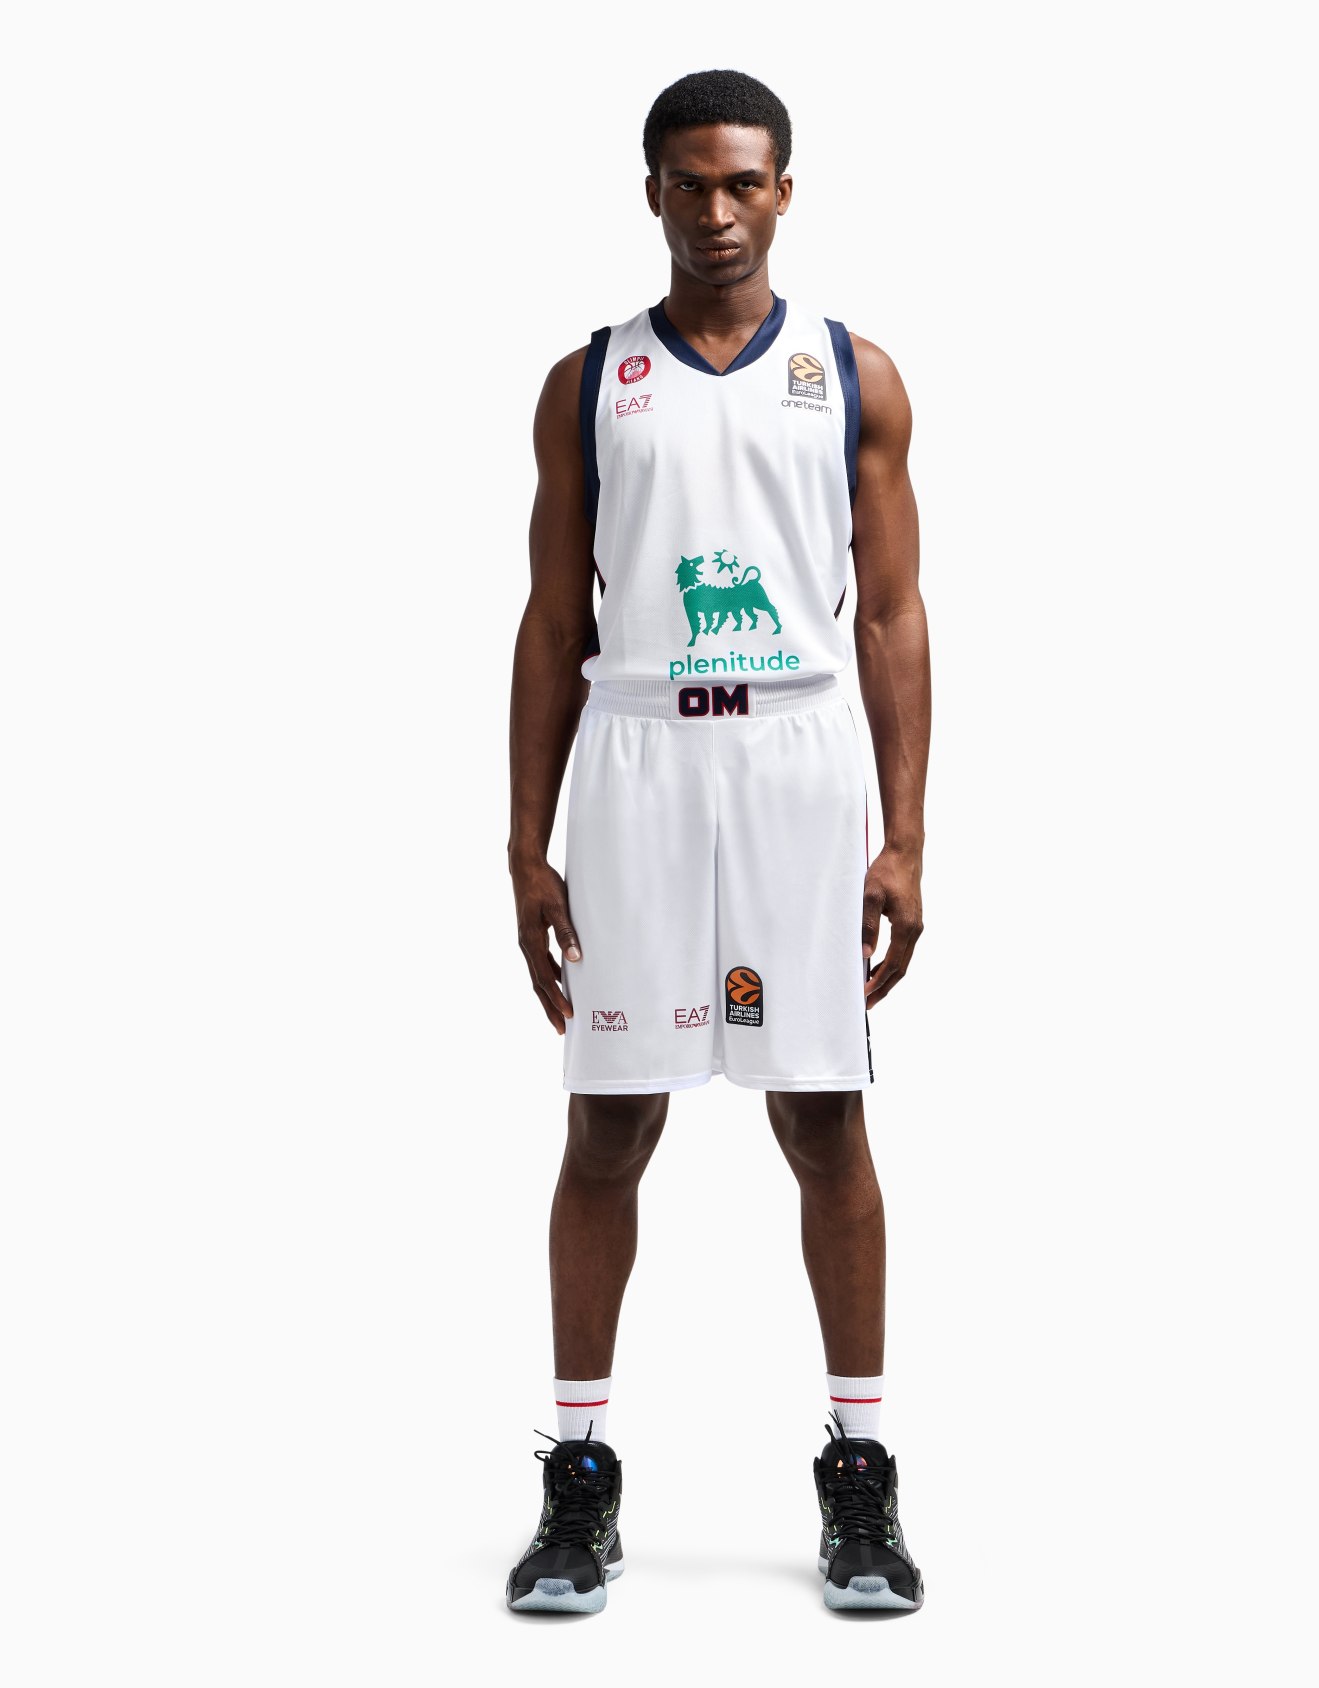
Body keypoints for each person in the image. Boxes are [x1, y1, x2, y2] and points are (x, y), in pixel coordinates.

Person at [505, 68, 931, 1614]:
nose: (716, 209)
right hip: (637, 760)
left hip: (796, 762)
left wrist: (905, 836)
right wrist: (525, 841)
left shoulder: (850, 375)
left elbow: (889, 614)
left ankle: (860, 1476)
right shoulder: (589, 382)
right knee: (608, 1125)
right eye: (688, 182)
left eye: (742, 181)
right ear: (652, 194)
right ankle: (577, 1480)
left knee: (822, 1118)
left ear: (783, 191)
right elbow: (553, 621)